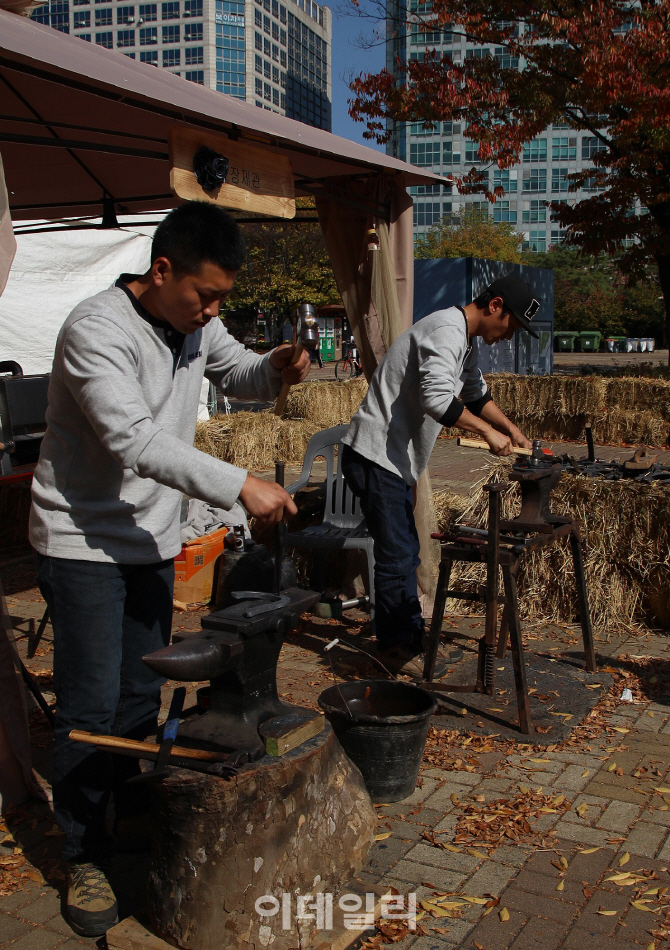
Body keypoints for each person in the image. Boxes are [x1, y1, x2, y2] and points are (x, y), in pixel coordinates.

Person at [29, 202, 310, 938]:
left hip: (149, 538)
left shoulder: (195, 324)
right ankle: (84, 852)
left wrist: (274, 367)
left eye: (222, 299)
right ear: (161, 271)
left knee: (136, 693)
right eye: (205, 296)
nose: (214, 312)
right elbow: (136, 440)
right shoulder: (97, 330)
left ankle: (124, 816)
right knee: (89, 709)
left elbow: (242, 374)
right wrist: (239, 483)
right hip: (82, 540)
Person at [341, 275, 538, 678]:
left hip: (393, 458)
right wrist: (487, 432)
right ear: (495, 305)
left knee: (405, 551)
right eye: (512, 326)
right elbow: (435, 399)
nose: (508, 336)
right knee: (397, 554)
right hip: (374, 454)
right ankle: (395, 648)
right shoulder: (447, 330)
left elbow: (475, 395)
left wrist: (513, 430)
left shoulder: (463, 339)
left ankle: (409, 637)